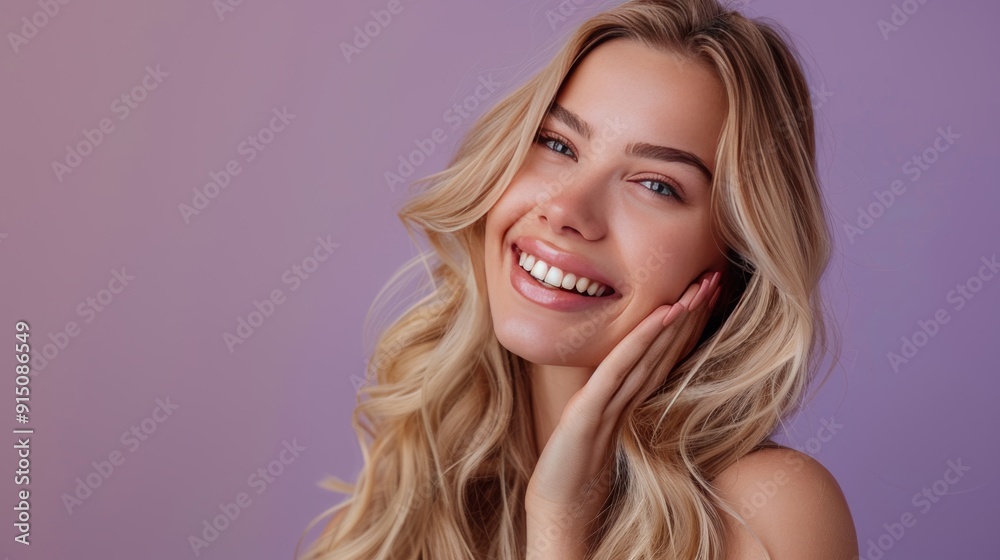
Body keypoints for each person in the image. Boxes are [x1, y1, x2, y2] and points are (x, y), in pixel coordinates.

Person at [298, 0, 857, 558]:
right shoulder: (387, 516)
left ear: (736, 263)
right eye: (558, 144)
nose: (566, 209)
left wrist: (558, 523)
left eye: (656, 185)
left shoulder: (768, 513)